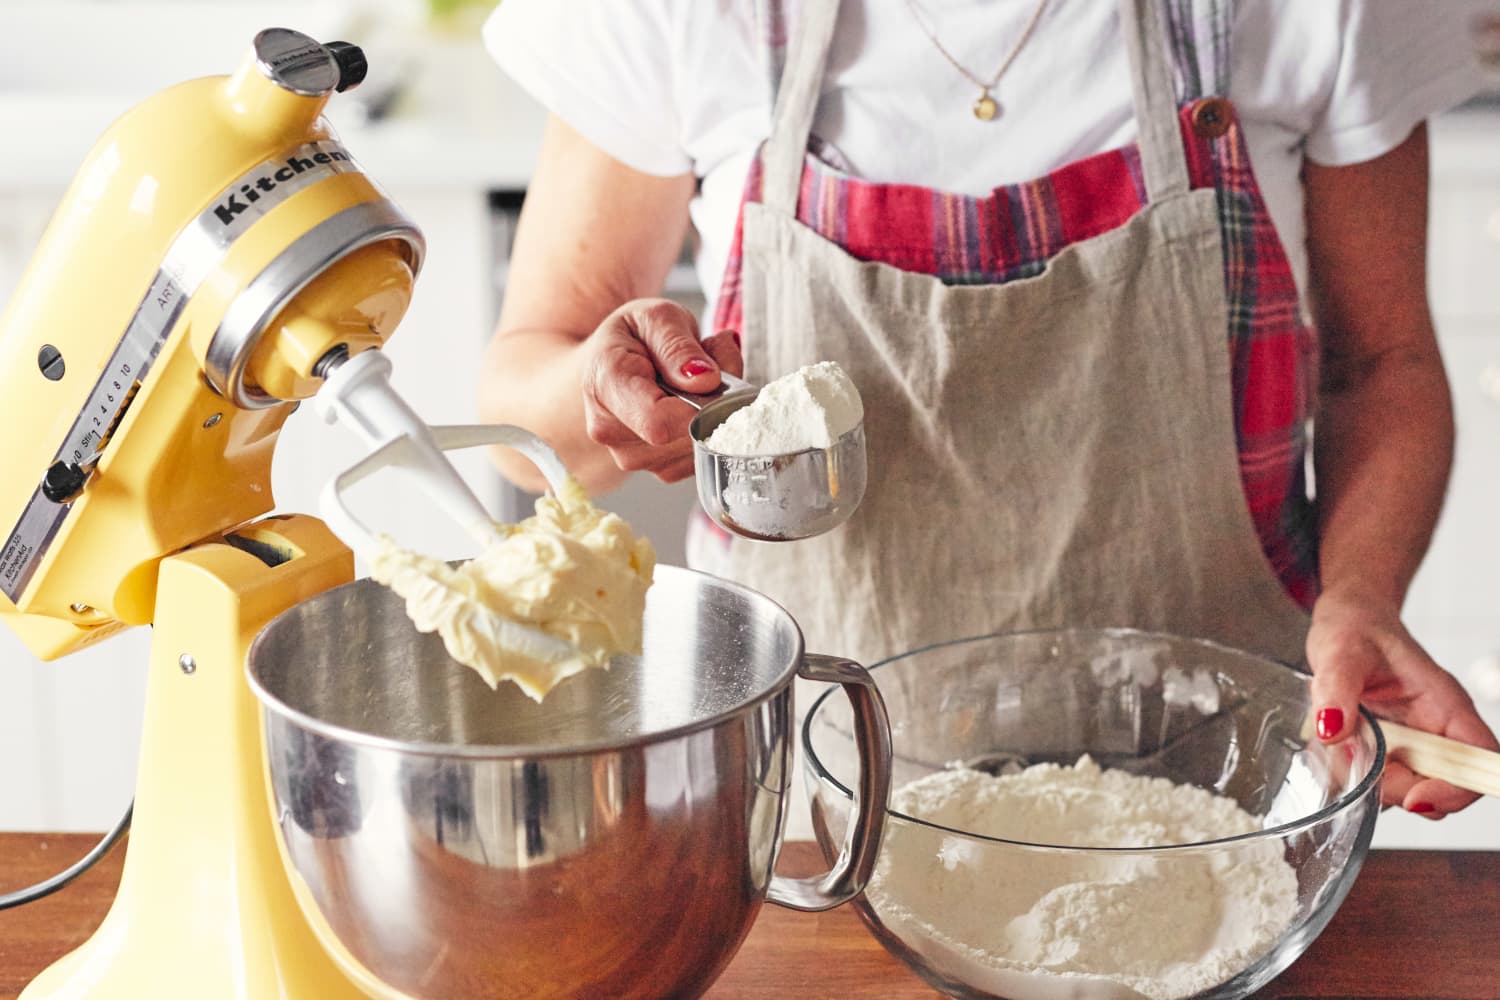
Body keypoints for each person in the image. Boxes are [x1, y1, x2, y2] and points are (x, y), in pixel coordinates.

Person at [477, 0, 1499, 818]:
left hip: (1226, 805)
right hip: (817, 812)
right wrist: (605, 401)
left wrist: (1362, 598)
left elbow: (1384, 365)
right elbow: (526, 416)